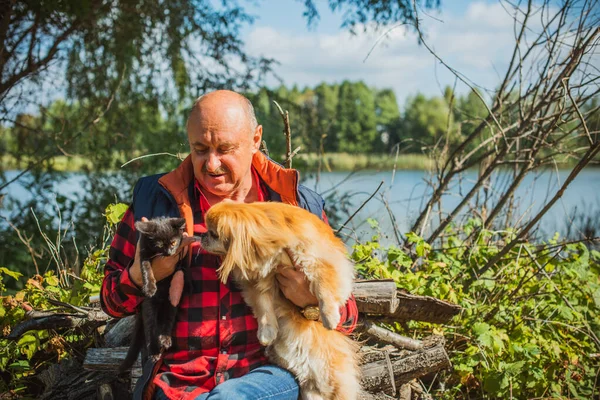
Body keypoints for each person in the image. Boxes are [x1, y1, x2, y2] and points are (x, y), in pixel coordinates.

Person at [100, 90, 358, 400]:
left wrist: (307, 301)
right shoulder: (157, 202)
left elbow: (348, 317)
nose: (211, 164)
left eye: (225, 149)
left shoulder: (292, 207)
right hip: (179, 383)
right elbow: (111, 302)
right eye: (200, 149)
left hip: (269, 374)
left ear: (255, 139)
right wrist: (143, 275)